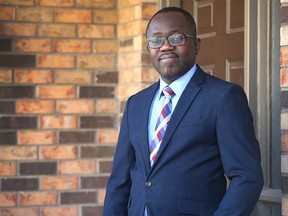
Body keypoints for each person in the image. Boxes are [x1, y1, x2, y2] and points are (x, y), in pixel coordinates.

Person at [103, 6, 263, 216]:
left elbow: (247, 176)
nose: (166, 46)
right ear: (149, 48)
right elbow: (119, 180)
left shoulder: (223, 97)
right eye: (156, 40)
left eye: (176, 37)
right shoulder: (136, 104)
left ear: (196, 45)